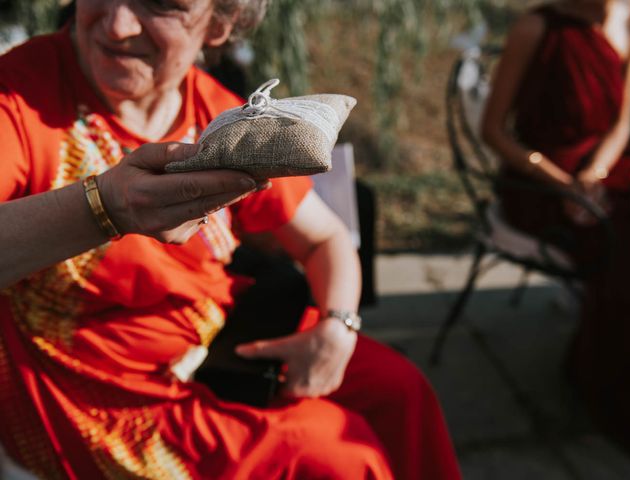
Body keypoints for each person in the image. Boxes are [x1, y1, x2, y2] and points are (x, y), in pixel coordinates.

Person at [0, 1, 462, 478]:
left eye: (161, 4)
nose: (117, 25)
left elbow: (325, 240)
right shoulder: (19, 95)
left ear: (218, 24)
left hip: (215, 343)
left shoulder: (220, 118)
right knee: (337, 455)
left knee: (399, 390)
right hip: (90, 391)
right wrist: (104, 207)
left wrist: (337, 327)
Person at [481, 0, 630, 458]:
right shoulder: (538, 26)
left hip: (602, 167)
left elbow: (621, 123)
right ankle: (602, 381)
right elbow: (495, 131)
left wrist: (595, 174)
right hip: (539, 181)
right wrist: (567, 186)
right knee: (624, 246)